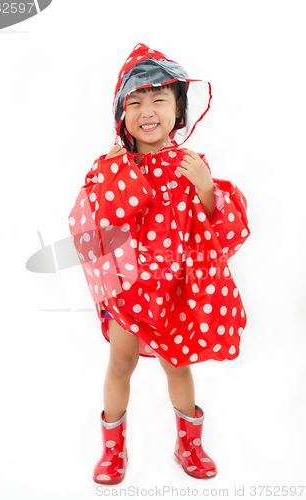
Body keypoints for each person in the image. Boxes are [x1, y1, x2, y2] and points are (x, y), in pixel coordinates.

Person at [68, 43, 250, 483]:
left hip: (175, 289)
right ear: (121, 113)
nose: (147, 110)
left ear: (178, 109)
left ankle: (189, 445)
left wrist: (207, 189)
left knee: (177, 364)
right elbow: (90, 228)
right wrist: (115, 175)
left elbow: (220, 237)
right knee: (120, 363)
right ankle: (113, 449)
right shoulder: (112, 165)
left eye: (159, 99)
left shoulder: (191, 166)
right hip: (128, 291)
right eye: (135, 101)